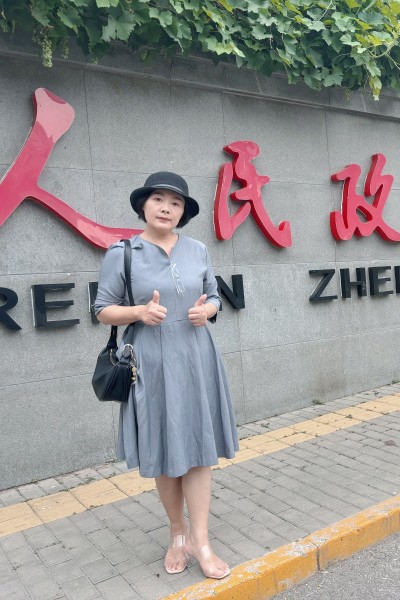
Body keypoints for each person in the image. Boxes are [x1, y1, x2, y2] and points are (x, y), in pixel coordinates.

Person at [94, 172, 239, 579]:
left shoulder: (198, 250)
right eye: (158, 199)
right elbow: (102, 309)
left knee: (199, 449)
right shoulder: (123, 253)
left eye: (176, 203)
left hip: (196, 357)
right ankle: (178, 534)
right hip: (152, 362)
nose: (166, 208)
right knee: (164, 448)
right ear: (143, 205)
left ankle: (202, 541)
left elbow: (214, 296)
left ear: (183, 212)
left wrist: (207, 310)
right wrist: (139, 312)